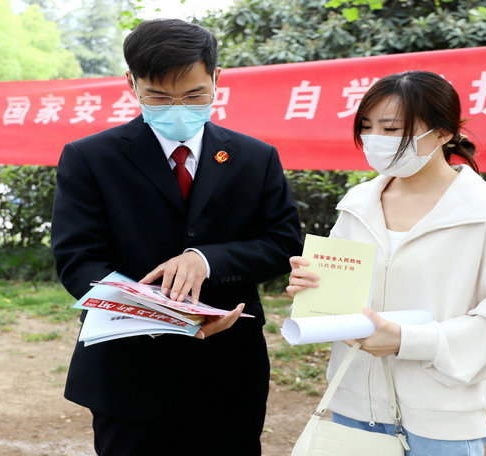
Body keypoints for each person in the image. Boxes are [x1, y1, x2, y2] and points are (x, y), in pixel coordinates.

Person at [51, 19, 302, 455]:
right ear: (131, 84)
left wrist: (206, 260)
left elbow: (283, 244)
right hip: (130, 367)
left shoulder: (255, 157)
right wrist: (155, 311)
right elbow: (78, 260)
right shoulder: (90, 158)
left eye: (194, 95)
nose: (178, 108)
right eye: (159, 98)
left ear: (217, 79)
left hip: (229, 366)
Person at [287, 71, 486, 455]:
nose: (375, 139)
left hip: (441, 419)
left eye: (391, 129)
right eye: (366, 126)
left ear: (443, 133)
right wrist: (310, 291)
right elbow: (336, 301)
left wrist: (407, 340)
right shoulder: (357, 205)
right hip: (353, 408)